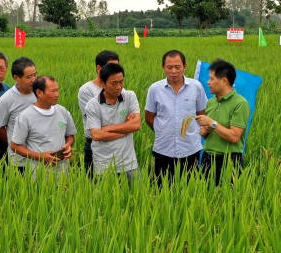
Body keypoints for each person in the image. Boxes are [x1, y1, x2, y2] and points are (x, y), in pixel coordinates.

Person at [144, 49, 207, 181]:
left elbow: (202, 114)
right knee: (161, 189)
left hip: (190, 149)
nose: (173, 71)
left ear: (184, 66)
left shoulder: (196, 87)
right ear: (163, 67)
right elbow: (149, 116)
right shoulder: (155, 89)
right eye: (169, 67)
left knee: (190, 190)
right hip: (163, 149)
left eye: (177, 67)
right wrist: (163, 131)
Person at [83, 62, 141, 183]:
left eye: (121, 82)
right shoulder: (93, 105)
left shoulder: (130, 96)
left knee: (136, 199)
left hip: (129, 162)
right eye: (114, 83)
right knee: (107, 199)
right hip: (104, 165)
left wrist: (108, 128)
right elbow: (97, 135)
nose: (119, 87)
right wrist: (125, 129)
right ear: (103, 84)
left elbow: (136, 125)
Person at [196, 59, 250, 185]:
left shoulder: (240, 104)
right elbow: (208, 133)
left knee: (228, 202)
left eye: (212, 79)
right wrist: (204, 132)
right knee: (205, 199)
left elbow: (234, 136)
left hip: (229, 161)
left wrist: (211, 123)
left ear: (224, 81)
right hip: (207, 158)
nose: (208, 82)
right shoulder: (211, 102)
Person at [10, 75, 76, 175]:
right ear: (39, 93)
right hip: (38, 174)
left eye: (57, 90)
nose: (57, 94)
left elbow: (70, 136)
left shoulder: (63, 111)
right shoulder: (25, 117)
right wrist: (40, 156)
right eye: (53, 91)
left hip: (63, 173)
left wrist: (68, 145)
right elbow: (15, 146)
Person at [78, 50, 119, 175]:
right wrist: (123, 127)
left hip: (118, 145)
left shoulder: (118, 88)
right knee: (94, 185)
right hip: (95, 145)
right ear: (99, 68)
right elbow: (97, 121)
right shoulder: (87, 90)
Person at [0, 57, 38, 172]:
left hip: (42, 155)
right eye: (29, 77)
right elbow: (0, 129)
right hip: (19, 160)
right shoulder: (4, 102)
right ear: (16, 78)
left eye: (35, 75)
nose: (34, 79)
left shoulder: (40, 93)